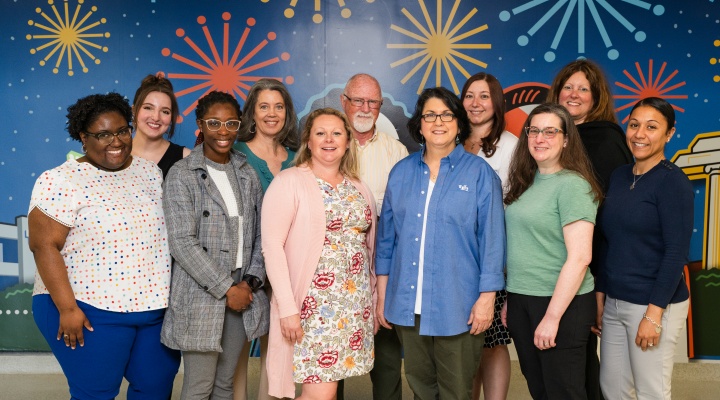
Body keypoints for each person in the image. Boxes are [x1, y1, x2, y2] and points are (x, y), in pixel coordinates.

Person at [28, 92, 180, 399]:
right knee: (96, 392)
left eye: (123, 130)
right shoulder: (61, 180)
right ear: (83, 138)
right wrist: (67, 308)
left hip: (153, 308)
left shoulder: (149, 172)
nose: (116, 141)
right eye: (103, 134)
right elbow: (44, 246)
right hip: (86, 307)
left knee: (155, 388)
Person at [376, 87, 505, 400]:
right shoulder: (401, 172)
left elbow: (493, 242)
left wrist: (487, 299)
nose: (438, 122)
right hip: (407, 304)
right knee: (421, 387)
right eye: (430, 115)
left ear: (459, 123)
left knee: (456, 391)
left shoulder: (480, 174)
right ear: (419, 124)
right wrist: (382, 296)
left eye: (447, 115)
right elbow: (386, 241)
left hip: (458, 305)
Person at [262, 108, 377, 400]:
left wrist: (373, 301)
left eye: (337, 133)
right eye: (320, 133)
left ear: (348, 141)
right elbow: (272, 246)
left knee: (329, 389)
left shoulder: (358, 187)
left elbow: (369, 249)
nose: (329, 139)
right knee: (319, 395)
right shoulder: (289, 181)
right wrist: (287, 308)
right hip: (312, 309)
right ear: (308, 142)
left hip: (351, 308)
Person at [161, 91, 269, 400]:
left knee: (225, 384)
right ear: (200, 125)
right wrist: (226, 288)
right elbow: (182, 242)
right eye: (214, 123)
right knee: (199, 387)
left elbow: (261, 233)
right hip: (202, 292)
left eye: (231, 123)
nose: (223, 131)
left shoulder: (246, 172)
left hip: (242, 289)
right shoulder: (182, 174)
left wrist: (249, 282)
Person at [503, 103, 603, 399]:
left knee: (565, 392)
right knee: (541, 389)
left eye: (550, 131)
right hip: (524, 299)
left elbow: (581, 257)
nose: (540, 138)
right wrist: (514, 296)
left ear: (566, 140)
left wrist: (552, 317)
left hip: (561, 304)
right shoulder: (525, 181)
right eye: (534, 130)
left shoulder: (573, 185)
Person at [596, 97, 693, 400]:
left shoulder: (672, 182)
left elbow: (676, 253)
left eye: (652, 127)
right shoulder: (620, 176)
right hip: (615, 302)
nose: (640, 134)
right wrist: (601, 296)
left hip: (653, 304)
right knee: (613, 390)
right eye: (634, 124)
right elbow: (608, 241)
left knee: (651, 391)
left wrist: (653, 315)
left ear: (669, 134)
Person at [547, 59, 633, 399]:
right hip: (550, 262)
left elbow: (612, 218)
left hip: (588, 268)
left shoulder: (607, 141)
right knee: (560, 358)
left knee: (579, 359)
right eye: (568, 87)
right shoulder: (549, 137)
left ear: (597, 97)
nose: (575, 94)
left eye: (584, 88)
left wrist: (598, 283)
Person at [339, 72, 408, 400]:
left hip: (384, 268)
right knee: (332, 352)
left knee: (387, 357)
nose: (365, 108)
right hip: (337, 273)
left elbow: (404, 215)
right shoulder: (328, 145)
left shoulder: (396, 152)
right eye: (358, 101)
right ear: (344, 102)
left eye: (373, 102)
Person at [231, 78, 299, 400]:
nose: (272, 114)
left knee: (281, 355)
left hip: (288, 269)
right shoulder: (234, 154)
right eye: (264, 106)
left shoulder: (298, 158)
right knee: (237, 355)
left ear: (287, 112)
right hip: (246, 271)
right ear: (252, 113)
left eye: (279, 106)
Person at [460, 72, 518, 400]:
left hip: (492, 258)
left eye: (484, 96)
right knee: (466, 342)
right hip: (458, 258)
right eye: (470, 95)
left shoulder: (510, 147)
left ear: (496, 102)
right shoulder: (450, 142)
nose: (476, 103)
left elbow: (516, 206)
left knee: (492, 341)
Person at [131, 73, 191, 178]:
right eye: (148, 108)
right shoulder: (115, 153)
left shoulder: (186, 158)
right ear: (134, 111)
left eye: (165, 111)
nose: (156, 117)